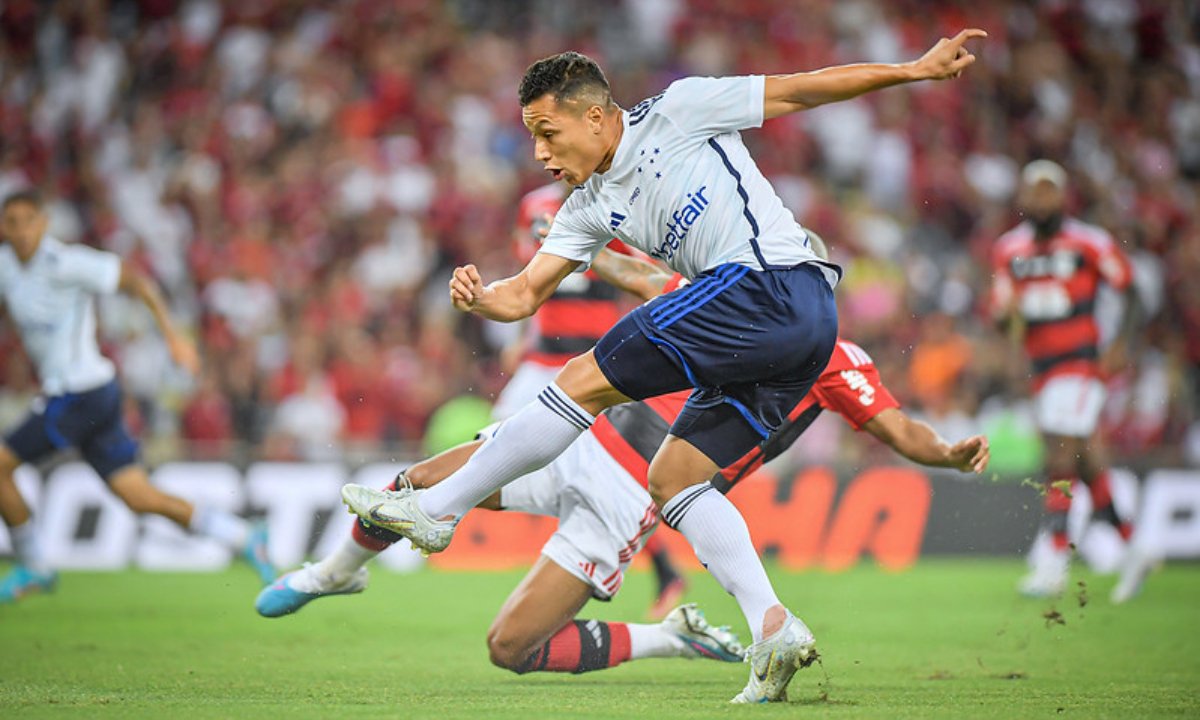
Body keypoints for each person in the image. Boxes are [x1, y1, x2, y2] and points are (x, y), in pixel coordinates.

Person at [341, 33, 986, 703]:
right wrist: (481, 298)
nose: (539, 152)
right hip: (794, 339)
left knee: (582, 379)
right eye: (531, 137)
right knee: (675, 477)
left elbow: (798, 87)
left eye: (547, 132)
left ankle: (439, 510)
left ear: (595, 116)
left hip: (774, 283)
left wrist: (913, 71)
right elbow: (525, 294)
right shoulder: (587, 207)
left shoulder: (680, 110)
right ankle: (773, 628)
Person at [260, 236, 987, 680]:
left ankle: (669, 638)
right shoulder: (725, 297)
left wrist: (948, 454)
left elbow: (895, 427)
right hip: (573, 440)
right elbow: (644, 280)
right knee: (411, 484)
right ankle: (331, 574)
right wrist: (577, 245)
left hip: (628, 495)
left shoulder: (833, 355)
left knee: (510, 648)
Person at [0, 190, 274, 602]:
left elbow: (137, 281)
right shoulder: (6, 267)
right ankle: (240, 535)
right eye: (11, 223)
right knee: (138, 497)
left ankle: (34, 565)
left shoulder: (66, 262)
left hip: (80, 391)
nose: (21, 231)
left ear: (43, 222)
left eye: (28, 221)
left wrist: (175, 339)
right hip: (90, 395)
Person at [498, 182, 688, 618]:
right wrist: (521, 335)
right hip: (543, 356)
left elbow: (640, 274)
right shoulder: (533, 205)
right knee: (500, 437)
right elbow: (526, 278)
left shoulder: (615, 206)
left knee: (598, 466)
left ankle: (638, 564)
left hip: (590, 360)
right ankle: (645, 564)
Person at [990, 160, 1147, 603]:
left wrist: (1120, 346)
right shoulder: (1008, 250)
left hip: (1080, 366)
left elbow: (1132, 291)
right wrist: (1004, 319)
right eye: (1034, 192)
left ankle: (1054, 561)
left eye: (1048, 191)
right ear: (1024, 198)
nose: (1041, 200)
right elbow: (1006, 317)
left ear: (1062, 196)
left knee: (1058, 454)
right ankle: (1135, 547)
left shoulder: (1089, 242)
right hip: (1043, 370)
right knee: (1086, 460)